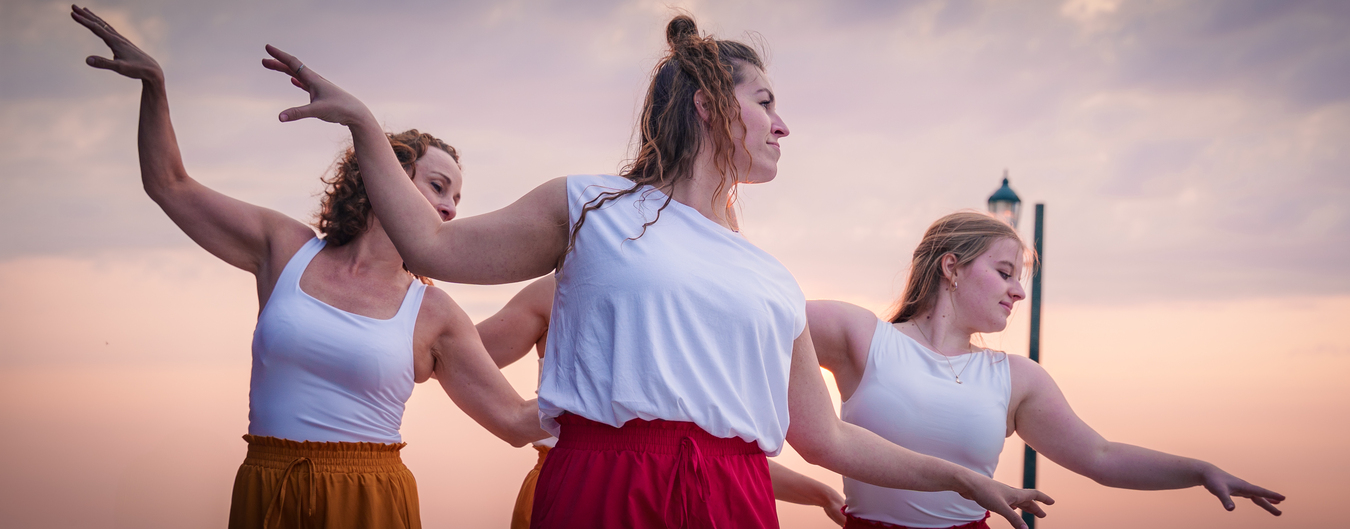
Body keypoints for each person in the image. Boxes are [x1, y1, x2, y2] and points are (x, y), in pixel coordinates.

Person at [261, 15, 1052, 529]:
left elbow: (826, 436)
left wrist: (966, 479)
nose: (784, 124)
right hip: (601, 483)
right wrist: (366, 127)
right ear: (711, 104)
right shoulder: (588, 207)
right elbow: (437, 252)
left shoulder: (770, 276)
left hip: (732, 495)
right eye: (767, 101)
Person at [72, 6, 544, 529]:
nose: (452, 208)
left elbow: (516, 421)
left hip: (370, 500)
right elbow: (170, 184)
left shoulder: (433, 314)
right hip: (267, 487)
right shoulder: (285, 250)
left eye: (458, 198)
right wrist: (155, 87)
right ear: (381, 175)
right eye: (437, 186)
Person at [806, 211, 1287, 529]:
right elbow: (761, 320)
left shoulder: (1016, 378)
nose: (1018, 291)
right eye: (1004, 272)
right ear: (951, 268)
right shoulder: (862, 336)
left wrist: (1200, 471)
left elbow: (1101, 457)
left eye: (1022, 279)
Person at [477, 276, 850, 528]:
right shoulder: (567, 285)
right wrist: (536, 412)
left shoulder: (700, 314)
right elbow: (452, 354)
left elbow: (716, 456)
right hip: (574, 484)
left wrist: (822, 494)